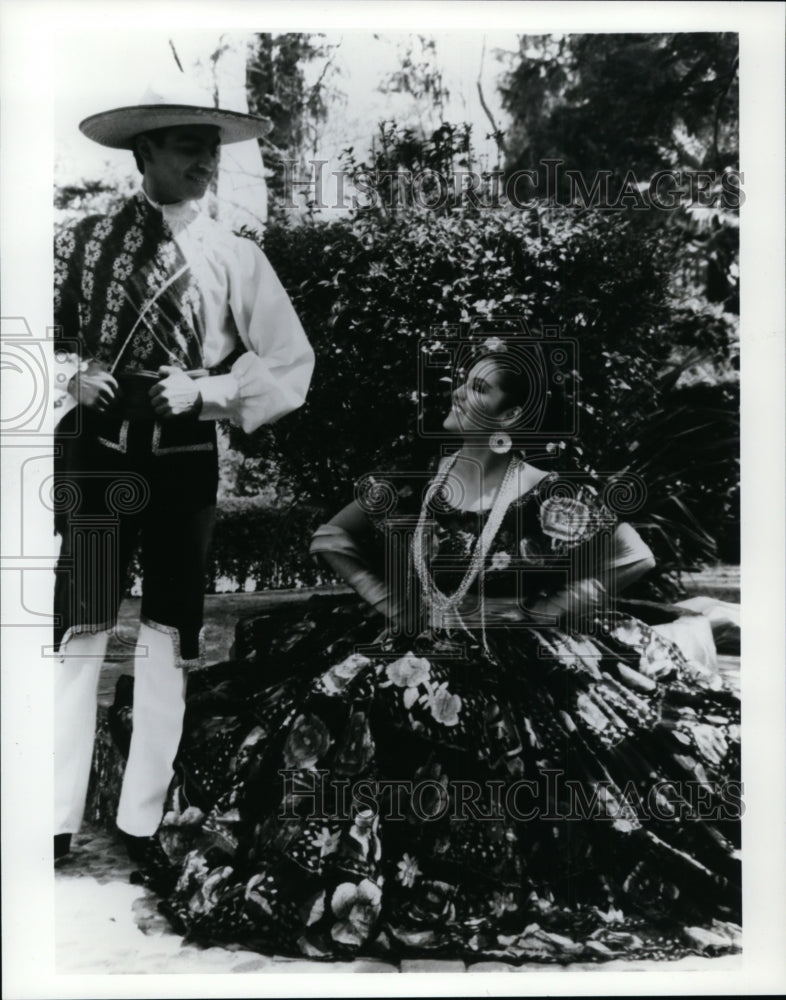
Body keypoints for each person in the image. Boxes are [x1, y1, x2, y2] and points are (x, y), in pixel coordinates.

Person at [114, 344, 740, 964]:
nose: (459, 394)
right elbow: (331, 536)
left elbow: (634, 557)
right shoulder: (418, 476)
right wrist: (392, 604)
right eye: (462, 381)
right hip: (415, 633)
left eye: (481, 389)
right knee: (346, 698)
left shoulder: (553, 491)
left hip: (518, 653)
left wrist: (547, 611)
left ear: (514, 419)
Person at [52, 80, 315, 883]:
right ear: (145, 155)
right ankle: (52, 818)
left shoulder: (235, 256)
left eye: (211, 148)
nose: (206, 162)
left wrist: (208, 392)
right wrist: (73, 374)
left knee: (169, 630)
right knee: (80, 630)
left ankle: (141, 817)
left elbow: (290, 366)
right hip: (98, 458)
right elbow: (30, 337)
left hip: (182, 462)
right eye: (186, 146)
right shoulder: (82, 243)